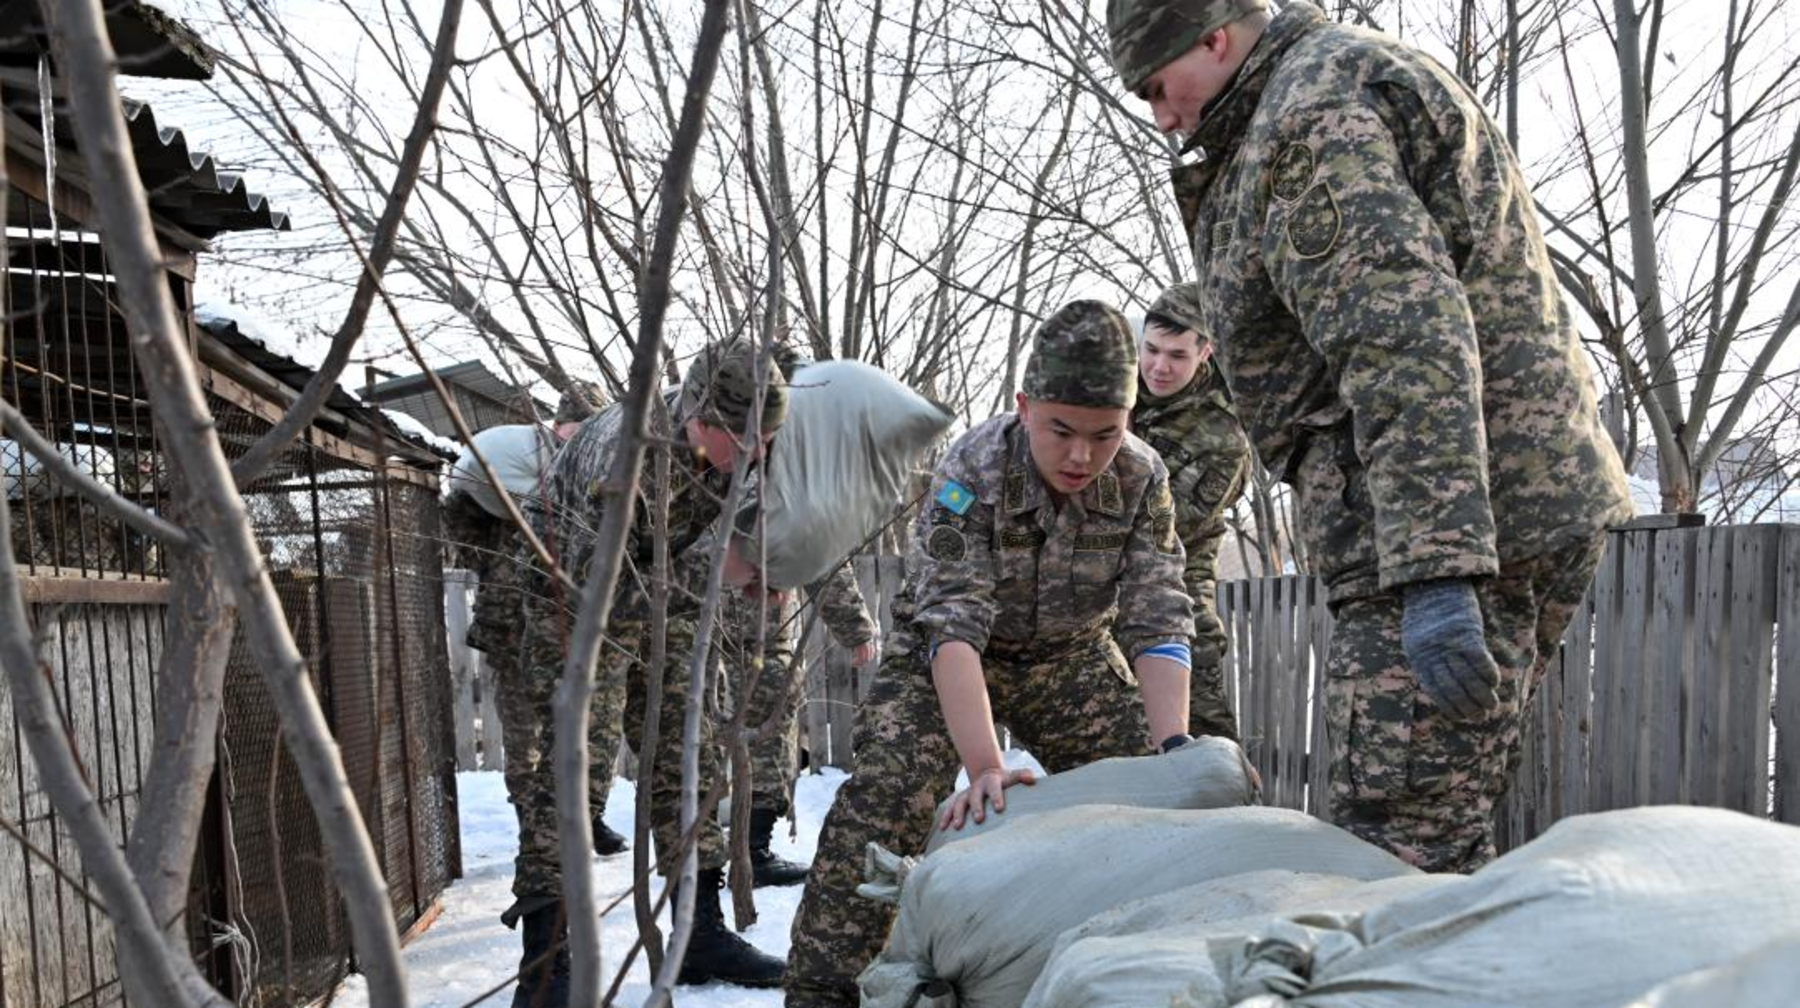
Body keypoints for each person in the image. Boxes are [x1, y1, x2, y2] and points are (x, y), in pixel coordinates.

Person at [1105, 0, 1633, 872]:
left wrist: (1434, 567)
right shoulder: (1320, 89)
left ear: (1215, 37)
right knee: (1434, 831)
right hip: (1492, 507)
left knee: (1392, 852)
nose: (1163, 117)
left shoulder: (1308, 117)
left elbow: (1400, 338)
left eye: (1160, 87)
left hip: (1451, 528)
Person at [784, 300, 1196, 1008]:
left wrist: (1177, 751)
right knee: (886, 803)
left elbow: (1158, 613)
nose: (1080, 456)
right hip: (939, 656)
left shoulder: (1142, 477)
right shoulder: (969, 467)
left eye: (1104, 435)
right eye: (1059, 430)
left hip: (1069, 658)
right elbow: (954, 627)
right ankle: (824, 993)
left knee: (1152, 808)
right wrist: (984, 767)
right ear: (1024, 405)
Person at [505, 340, 791, 1006]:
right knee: (576, 769)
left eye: (768, 438)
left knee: (685, 755)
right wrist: (716, 573)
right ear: (695, 415)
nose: (753, 455)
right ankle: (547, 964)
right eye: (738, 439)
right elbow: (589, 589)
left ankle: (701, 932)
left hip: (674, 590)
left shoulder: (742, 443)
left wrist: (753, 575)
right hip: (570, 601)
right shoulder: (622, 457)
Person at [441, 383, 633, 880]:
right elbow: (461, 528)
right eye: (573, 427)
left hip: (567, 629)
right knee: (524, 732)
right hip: (509, 627)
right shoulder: (513, 474)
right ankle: (535, 824)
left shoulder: (587, 480)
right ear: (558, 424)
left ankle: (588, 817)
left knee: (582, 728)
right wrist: (490, 557)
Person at [1131, 282, 1250, 740]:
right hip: (1090, 551)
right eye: (1152, 350)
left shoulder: (1221, 435)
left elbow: (1163, 526)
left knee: (1194, 651)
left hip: (1177, 559)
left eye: (1177, 356)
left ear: (1206, 352)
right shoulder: (1116, 378)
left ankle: (1227, 791)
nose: (1158, 367)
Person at [716, 561, 877, 887]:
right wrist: (855, 627)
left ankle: (699, 861)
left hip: (686, 641)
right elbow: (816, 547)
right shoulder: (778, 508)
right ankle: (752, 853)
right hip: (755, 643)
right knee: (766, 744)